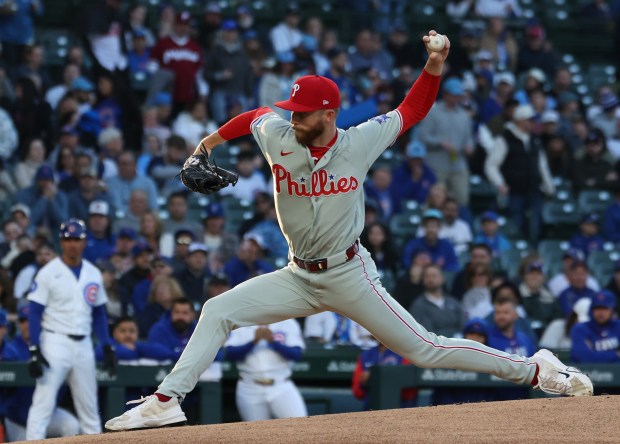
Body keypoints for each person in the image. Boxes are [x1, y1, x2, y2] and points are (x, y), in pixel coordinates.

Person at [105, 30, 592, 432]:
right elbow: (255, 117)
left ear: (329, 114)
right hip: (297, 275)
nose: (293, 117)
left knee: (424, 350)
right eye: (292, 110)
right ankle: (166, 400)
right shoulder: (279, 133)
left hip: (349, 272)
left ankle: (536, 369)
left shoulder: (359, 142)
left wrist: (435, 63)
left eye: (303, 112)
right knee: (217, 310)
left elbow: (412, 111)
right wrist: (204, 147)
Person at [25, 218, 116, 439]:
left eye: (77, 239)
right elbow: (34, 311)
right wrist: (34, 348)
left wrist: (106, 345)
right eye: (68, 239)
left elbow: (99, 313)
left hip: (84, 343)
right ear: (61, 242)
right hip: (55, 341)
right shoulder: (48, 271)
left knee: (90, 408)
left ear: (84, 242)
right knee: (43, 403)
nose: (72, 244)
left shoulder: (93, 272)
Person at [2, 305, 80, 442]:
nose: (28, 325)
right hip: (18, 418)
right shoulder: (12, 348)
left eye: (31, 321)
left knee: (71, 425)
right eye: (23, 321)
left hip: (47, 412)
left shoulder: (53, 346)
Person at [484, 104, 555, 243]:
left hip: (534, 189)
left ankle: (533, 250)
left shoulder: (535, 139)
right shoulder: (505, 138)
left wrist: (549, 186)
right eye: (530, 120)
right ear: (520, 121)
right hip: (514, 190)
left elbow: (542, 165)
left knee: (535, 225)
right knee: (516, 225)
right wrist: (500, 183)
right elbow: (491, 165)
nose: (533, 123)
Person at [224, 319, 307, 421]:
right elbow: (230, 354)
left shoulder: (287, 322)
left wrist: (273, 342)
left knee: (301, 425)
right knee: (256, 434)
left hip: (281, 385)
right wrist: (254, 341)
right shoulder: (241, 322)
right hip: (249, 387)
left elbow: (296, 354)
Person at [417, 77, 474, 205]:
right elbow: (423, 136)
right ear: (445, 94)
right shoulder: (433, 112)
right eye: (453, 95)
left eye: (458, 96)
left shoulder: (464, 115)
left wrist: (469, 147)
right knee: (435, 201)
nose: (456, 99)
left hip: (458, 164)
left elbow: (468, 137)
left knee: (462, 199)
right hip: (436, 165)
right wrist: (440, 142)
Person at [487, 295, 537, 400]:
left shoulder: (525, 339)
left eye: (505, 313)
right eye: (498, 313)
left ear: (515, 315)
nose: (501, 317)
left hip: (525, 396)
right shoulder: (487, 339)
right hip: (495, 398)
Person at [352, 341, 416, 411]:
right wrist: (363, 382)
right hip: (371, 408)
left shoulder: (403, 354)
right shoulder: (365, 355)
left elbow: (410, 392)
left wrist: (383, 376)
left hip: (400, 408)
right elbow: (357, 393)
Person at [408, 264, 465, 336]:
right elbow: (426, 334)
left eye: (434, 276)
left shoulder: (453, 302)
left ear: (442, 278)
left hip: (458, 343)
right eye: (427, 276)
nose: (430, 279)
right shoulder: (418, 306)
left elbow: (463, 326)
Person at [571, 290, 620, 363]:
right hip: (586, 372)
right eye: (597, 308)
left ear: (612, 310)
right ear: (591, 310)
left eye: (604, 308)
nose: (600, 312)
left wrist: (594, 353)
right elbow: (584, 357)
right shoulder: (580, 329)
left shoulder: (618, 326)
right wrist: (616, 354)